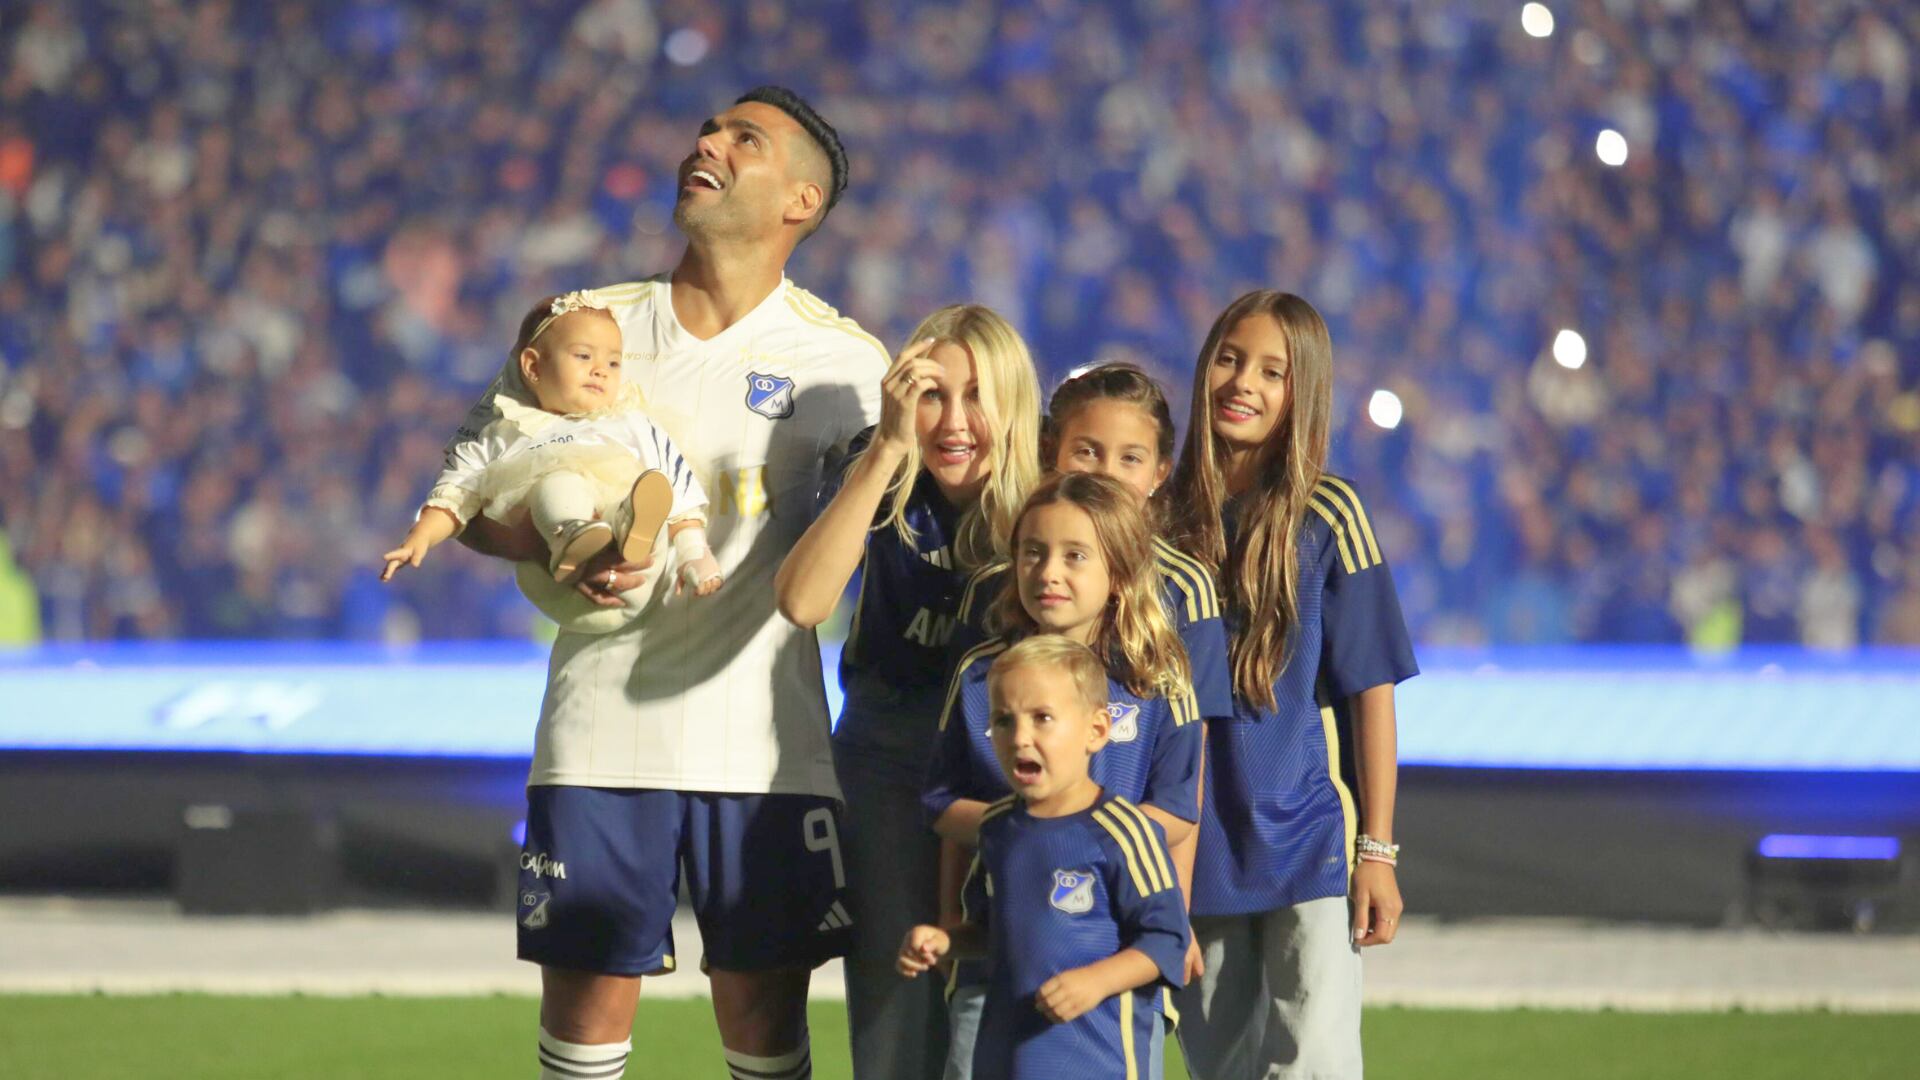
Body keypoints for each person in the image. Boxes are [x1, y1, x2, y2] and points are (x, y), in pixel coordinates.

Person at [452, 87, 884, 1080]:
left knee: (766, 1032)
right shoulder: (588, 327)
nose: (708, 143)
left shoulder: (846, 364)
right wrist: (553, 545)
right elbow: (471, 495)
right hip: (601, 730)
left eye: (745, 139)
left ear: (802, 202)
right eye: (708, 130)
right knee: (585, 1025)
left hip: (766, 748)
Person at [774, 304, 1042, 1080]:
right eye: (932, 396)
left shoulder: (1047, 497)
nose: (953, 422)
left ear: (1014, 403)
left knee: (1018, 980)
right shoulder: (880, 466)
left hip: (1011, 755)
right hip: (889, 751)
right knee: (897, 989)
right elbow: (803, 601)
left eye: (977, 396)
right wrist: (889, 447)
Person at [1165, 291, 1419, 1080]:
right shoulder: (1156, 518)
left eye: (1272, 371)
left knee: (1314, 1067)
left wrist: (1377, 850)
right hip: (1194, 851)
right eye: (1230, 359)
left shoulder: (1330, 514)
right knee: (1220, 1070)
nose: (1244, 382)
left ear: (1301, 391)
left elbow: (1372, 692)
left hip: (1309, 843)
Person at [924, 471, 1200, 1080]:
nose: (1049, 572)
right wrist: (1023, 837)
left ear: (1119, 570)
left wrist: (1079, 837)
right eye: (1033, 552)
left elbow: (1180, 812)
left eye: (1075, 555)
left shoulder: (1158, 677)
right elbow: (941, 802)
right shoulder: (980, 674)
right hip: (996, 963)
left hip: (1110, 961)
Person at [899, 635, 1190, 1080]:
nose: (1020, 738)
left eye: (1043, 718)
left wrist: (1096, 981)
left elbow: (1169, 941)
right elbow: (993, 931)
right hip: (1006, 1059)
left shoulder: (1124, 832)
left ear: (1096, 731)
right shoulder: (997, 829)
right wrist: (947, 942)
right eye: (1003, 720)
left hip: (1099, 1062)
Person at [380, 292, 721, 631]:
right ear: (533, 366)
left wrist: (694, 554)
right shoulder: (508, 431)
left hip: (636, 577)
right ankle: (571, 534)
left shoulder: (631, 422)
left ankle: (629, 529)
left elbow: (677, 484)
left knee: (648, 489)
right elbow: (457, 492)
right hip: (558, 584)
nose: (600, 371)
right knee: (560, 482)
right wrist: (421, 536)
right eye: (584, 356)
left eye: (613, 363)